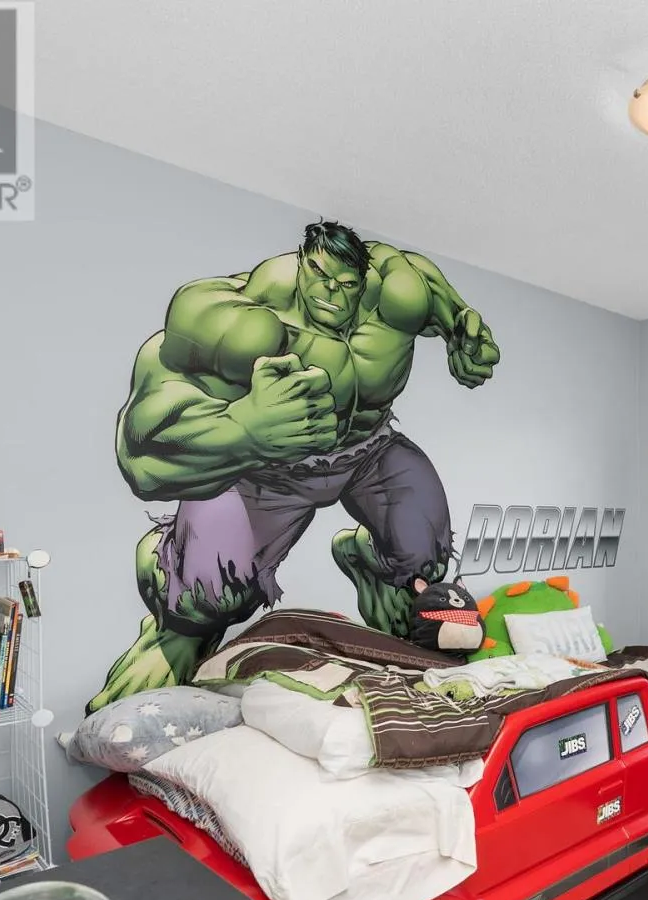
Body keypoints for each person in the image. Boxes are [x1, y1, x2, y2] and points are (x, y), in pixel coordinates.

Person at [90, 221, 501, 711]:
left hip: (368, 450)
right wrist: (242, 429)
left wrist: (464, 335)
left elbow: (445, 305)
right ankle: (175, 613)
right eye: (320, 276)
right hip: (271, 471)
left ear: (364, 280)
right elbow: (141, 450)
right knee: (212, 594)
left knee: (424, 555)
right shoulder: (233, 320)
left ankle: (370, 568)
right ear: (302, 263)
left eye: (346, 284)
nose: (332, 294)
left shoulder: (399, 290)